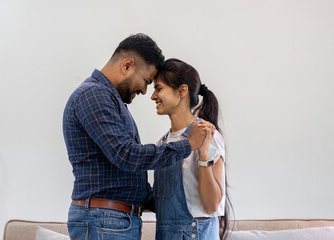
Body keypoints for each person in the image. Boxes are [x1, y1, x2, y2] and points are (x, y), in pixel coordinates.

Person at [62, 34, 215, 240]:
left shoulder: (109, 100)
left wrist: (180, 206)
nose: (145, 91)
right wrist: (187, 144)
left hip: (110, 220)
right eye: (146, 81)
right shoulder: (93, 95)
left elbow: (124, 175)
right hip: (105, 220)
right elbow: (126, 155)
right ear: (127, 65)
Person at [151, 58, 231, 240]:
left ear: (182, 91)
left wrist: (203, 154)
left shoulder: (206, 134)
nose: (153, 96)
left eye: (159, 89)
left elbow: (211, 205)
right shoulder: (162, 143)